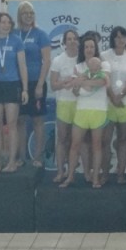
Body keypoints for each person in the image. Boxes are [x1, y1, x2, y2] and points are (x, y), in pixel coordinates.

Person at [59, 43, 110, 188]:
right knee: (75, 145)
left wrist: (82, 82)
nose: (89, 49)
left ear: (95, 49)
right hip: (81, 110)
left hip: (98, 111)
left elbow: (102, 82)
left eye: (92, 47)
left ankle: (95, 179)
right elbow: (74, 90)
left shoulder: (104, 64)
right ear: (83, 49)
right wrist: (79, 84)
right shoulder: (79, 66)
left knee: (96, 145)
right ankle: (70, 177)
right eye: (86, 47)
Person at [0, 12, 29, 172]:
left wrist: (25, 89)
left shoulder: (16, 41)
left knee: (12, 125)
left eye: (8, 22)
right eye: (2, 22)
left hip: (12, 84)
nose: (6, 25)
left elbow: (22, 66)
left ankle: (12, 161)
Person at [100, 26, 126, 184]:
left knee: (123, 139)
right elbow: (103, 78)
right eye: (117, 37)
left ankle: (121, 173)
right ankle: (104, 174)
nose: (120, 40)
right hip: (108, 102)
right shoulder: (104, 56)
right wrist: (113, 96)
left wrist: (121, 95)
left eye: (123, 37)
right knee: (105, 141)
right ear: (112, 39)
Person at [16, 1, 52, 167]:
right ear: (19, 16)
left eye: (31, 13)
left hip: (36, 82)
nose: (28, 16)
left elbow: (46, 61)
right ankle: (21, 157)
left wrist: (39, 84)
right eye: (25, 13)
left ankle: (38, 157)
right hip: (18, 84)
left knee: (38, 121)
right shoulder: (14, 34)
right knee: (20, 120)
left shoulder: (40, 34)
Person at [49, 30, 80, 182]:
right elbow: (53, 85)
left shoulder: (83, 60)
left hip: (81, 104)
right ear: (64, 42)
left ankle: (74, 172)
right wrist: (65, 82)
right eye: (69, 39)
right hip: (64, 104)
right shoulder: (58, 60)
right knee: (62, 139)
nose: (72, 41)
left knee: (79, 141)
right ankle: (61, 171)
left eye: (75, 39)